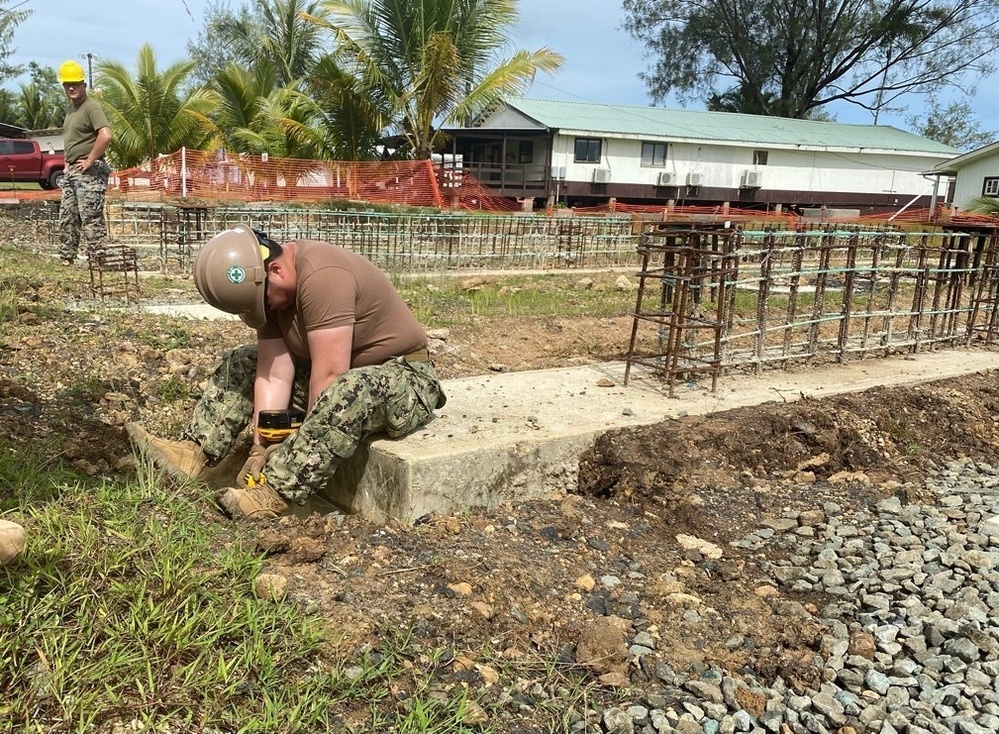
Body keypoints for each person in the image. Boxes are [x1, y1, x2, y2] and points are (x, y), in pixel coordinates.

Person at [127, 224, 447, 520]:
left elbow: (331, 376)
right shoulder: (268, 294)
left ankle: (278, 489)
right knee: (244, 360)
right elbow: (273, 374)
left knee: (348, 389)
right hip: (346, 378)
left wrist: (290, 452)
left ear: (275, 270)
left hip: (402, 378)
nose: (264, 312)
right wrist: (260, 446)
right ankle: (193, 452)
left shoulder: (323, 275)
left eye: (263, 303)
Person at [57, 59, 113, 264]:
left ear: (84, 85)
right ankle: (67, 257)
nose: (71, 87)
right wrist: (66, 162)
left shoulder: (91, 107)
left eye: (75, 83)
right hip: (73, 170)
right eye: (67, 84)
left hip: (89, 172)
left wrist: (90, 159)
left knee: (90, 216)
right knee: (68, 216)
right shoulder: (71, 110)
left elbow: (105, 135)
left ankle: (98, 260)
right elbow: (71, 138)